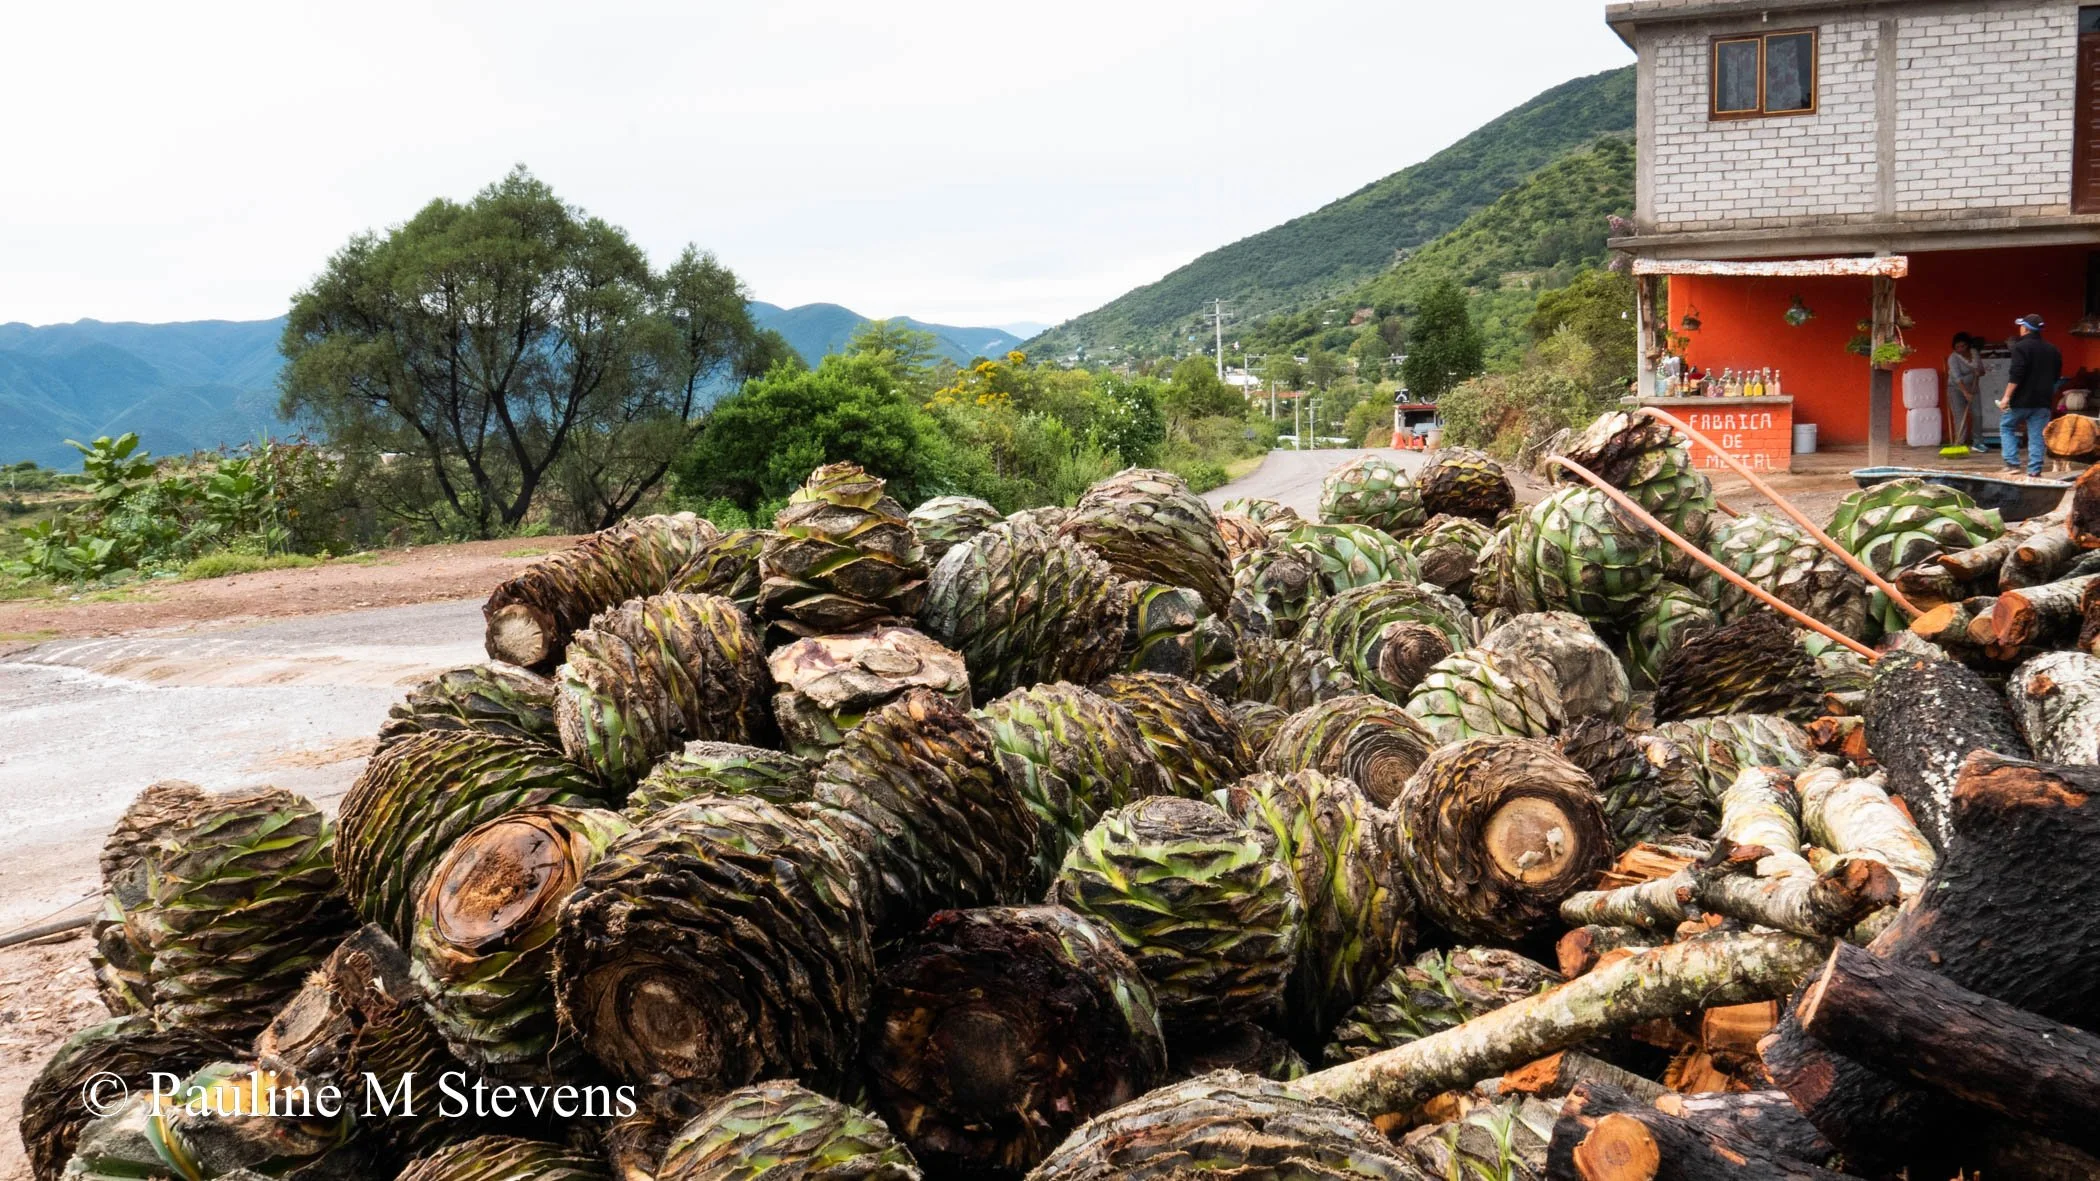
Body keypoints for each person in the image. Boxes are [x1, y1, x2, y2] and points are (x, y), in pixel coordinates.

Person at [2000, 314, 2063, 477]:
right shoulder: (2053, 349)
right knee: (2036, 435)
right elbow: (2056, 376)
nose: (2020, 328)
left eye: (2021, 325)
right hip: (2042, 401)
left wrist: (2006, 397)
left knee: (2007, 427)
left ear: (2026, 328)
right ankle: (2034, 470)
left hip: (2020, 400)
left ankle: (2012, 463)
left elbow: (2016, 374)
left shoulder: (2020, 348)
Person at [1947, 332, 1981, 447]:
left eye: (1963, 346)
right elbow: (1957, 378)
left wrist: (1979, 372)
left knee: (1977, 414)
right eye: (1957, 347)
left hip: (1973, 387)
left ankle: (1977, 442)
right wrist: (1965, 393)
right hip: (1956, 388)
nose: (1960, 349)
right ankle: (1960, 443)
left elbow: (1982, 371)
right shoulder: (1953, 358)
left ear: (1968, 345)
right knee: (1960, 416)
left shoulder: (1974, 354)